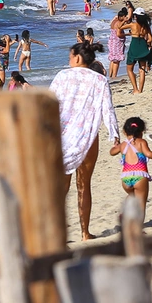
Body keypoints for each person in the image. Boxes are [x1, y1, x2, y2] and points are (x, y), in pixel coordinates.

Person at [50, 42, 119, 241]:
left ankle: (57, 234)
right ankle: (85, 233)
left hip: (62, 137)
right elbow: (108, 109)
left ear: (78, 58)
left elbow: (48, 105)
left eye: (70, 56)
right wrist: (114, 135)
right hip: (88, 137)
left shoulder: (62, 76)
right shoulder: (100, 80)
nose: (69, 60)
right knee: (84, 185)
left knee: (61, 188)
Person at [110, 116, 152, 223]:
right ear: (141, 132)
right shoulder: (141, 142)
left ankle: (125, 212)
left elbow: (112, 152)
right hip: (140, 176)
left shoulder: (122, 145)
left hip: (126, 178)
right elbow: (148, 154)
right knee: (140, 203)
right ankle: (138, 227)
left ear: (125, 132)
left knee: (132, 195)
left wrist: (116, 145)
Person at [126, 10, 152, 93]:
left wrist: (124, 21)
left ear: (136, 16)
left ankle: (135, 89)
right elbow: (150, 39)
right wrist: (146, 43)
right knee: (142, 69)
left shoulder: (133, 24)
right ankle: (140, 90)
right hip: (143, 46)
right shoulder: (146, 26)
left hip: (134, 46)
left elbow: (119, 28)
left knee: (129, 69)